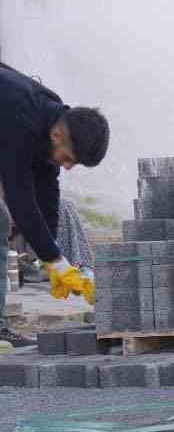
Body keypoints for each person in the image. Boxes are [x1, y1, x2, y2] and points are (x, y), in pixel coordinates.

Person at [0, 63, 109, 348]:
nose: (68, 166)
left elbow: (47, 189)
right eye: (68, 158)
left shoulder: (51, 115)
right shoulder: (19, 115)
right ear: (57, 137)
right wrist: (55, 261)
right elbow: (20, 197)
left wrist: (51, 254)